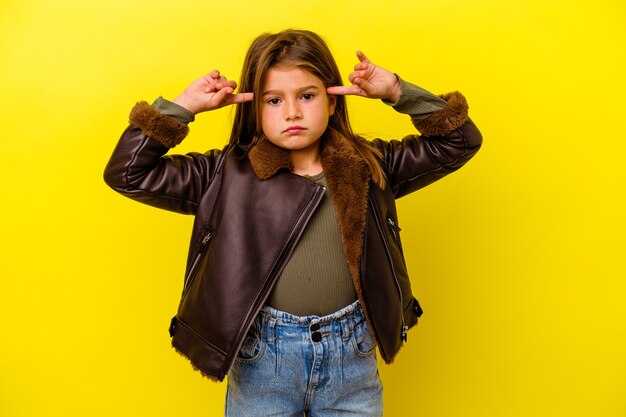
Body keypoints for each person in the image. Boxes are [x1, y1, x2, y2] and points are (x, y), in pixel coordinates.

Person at [104, 29, 482, 416]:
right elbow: (128, 173)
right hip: (262, 360)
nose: (292, 112)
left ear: (332, 100)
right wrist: (183, 107)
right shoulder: (224, 175)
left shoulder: (370, 166)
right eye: (273, 100)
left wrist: (397, 90)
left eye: (307, 95)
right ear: (254, 108)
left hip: (351, 357)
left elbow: (460, 141)